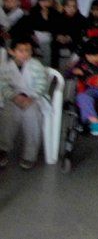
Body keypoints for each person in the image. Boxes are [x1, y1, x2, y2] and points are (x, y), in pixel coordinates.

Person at [0, 37, 49, 170]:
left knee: (32, 117)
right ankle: (3, 148)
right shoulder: (5, 67)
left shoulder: (36, 65)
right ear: (11, 51)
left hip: (33, 98)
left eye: (27, 50)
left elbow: (42, 84)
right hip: (14, 98)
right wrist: (14, 97)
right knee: (7, 116)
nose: (24, 54)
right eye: (20, 51)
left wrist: (31, 98)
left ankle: (30, 154)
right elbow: (3, 86)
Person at [52, 0, 87, 68]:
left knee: (78, 47)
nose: (71, 9)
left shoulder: (81, 19)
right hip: (60, 39)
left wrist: (70, 37)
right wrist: (58, 36)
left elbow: (82, 33)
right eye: (69, 6)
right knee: (53, 44)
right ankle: (54, 69)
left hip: (74, 40)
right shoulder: (59, 17)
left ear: (77, 7)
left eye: (74, 6)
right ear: (64, 7)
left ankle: (73, 69)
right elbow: (54, 29)